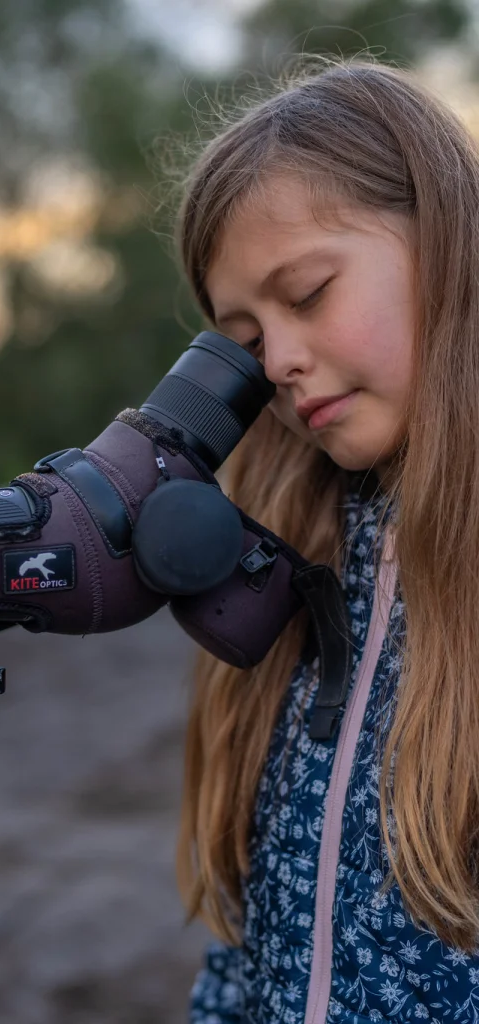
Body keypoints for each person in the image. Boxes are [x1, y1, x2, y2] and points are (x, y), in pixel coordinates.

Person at [174, 58, 479, 1021]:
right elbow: (244, 947)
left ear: (448, 241)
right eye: (247, 339)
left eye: (306, 294)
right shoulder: (294, 556)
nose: (283, 360)